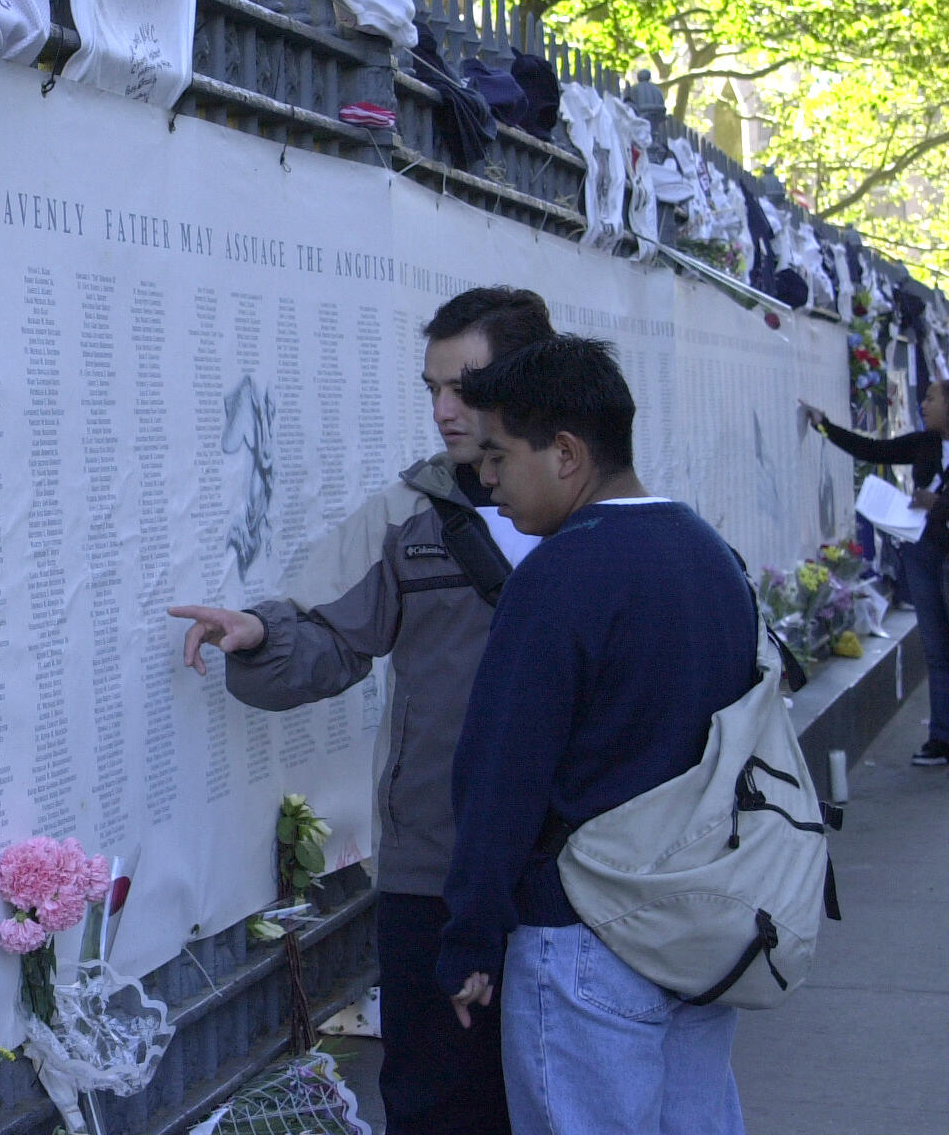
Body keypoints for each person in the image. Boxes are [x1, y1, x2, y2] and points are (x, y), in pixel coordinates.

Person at [170, 286, 555, 1135]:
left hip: (574, 873)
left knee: (567, 1101)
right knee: (436, 1103)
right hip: (435, 872)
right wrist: (257, 634)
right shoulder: (407, 516)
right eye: (431, 388)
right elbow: (326, 635)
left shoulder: (594, 513)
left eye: (466, 385)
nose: (445, 409)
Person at [438, 336, 756, 1135]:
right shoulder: (709, 554)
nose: (486, 480)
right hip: (698, 927)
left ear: (568, 454)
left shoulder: (558, 574)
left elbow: (502, 771)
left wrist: (472, 933)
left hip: (583, 939)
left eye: (499, 456)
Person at [802, 385, 949, 765]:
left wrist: (941, 504)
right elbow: (876, 451)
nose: (924, 403)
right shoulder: (926, 443)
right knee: (935, 650)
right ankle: (941, 737)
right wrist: (826, 427)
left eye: (933, 398)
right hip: (922, 552)